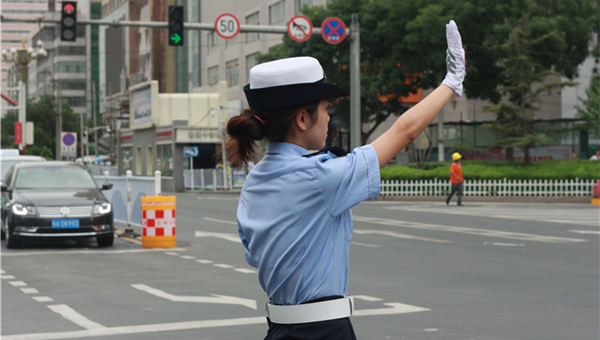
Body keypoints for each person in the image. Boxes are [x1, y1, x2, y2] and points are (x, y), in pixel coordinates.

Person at [224, 21, 466, 340]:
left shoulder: (253, 182)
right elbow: (404, 131)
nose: (328, 118)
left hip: (278, 330)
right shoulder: (319, 176)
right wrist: (451, 81)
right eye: (325, 109)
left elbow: (256, 257)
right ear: (302, 118)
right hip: (324, 332)